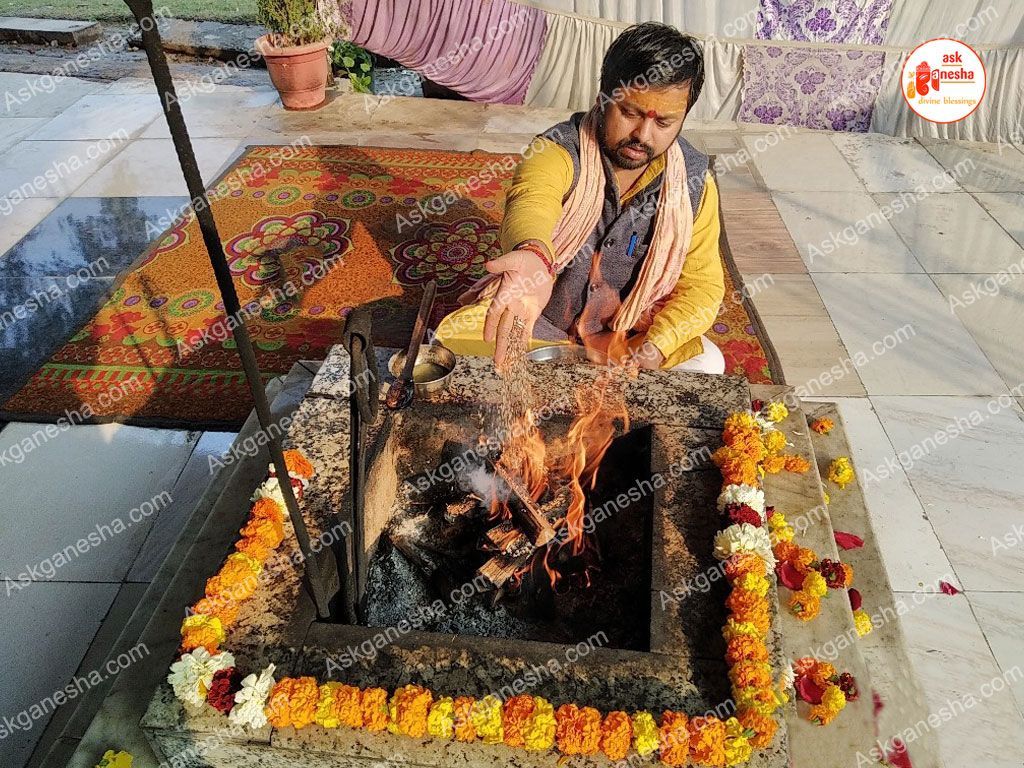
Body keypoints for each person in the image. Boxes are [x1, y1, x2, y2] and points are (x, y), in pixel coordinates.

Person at [435, 22, 726, 374]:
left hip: (627, 335)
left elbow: (702, 286)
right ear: (602, 99)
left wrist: (654, 348)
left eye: (663, 123)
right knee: (452, 345)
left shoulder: (694, 183)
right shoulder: (556, 151)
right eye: (629, 113)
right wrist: (533, 255)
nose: (642, 135)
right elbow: (532, 199)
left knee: (708, 362)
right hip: (542, 325)